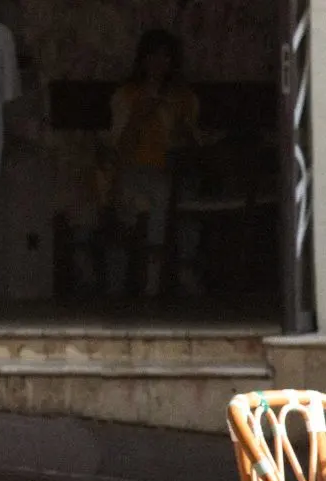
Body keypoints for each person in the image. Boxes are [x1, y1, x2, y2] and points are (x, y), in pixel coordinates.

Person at [109, 29, 202, 298]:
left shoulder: (184, 98)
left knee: (184, 196)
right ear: (143, 59)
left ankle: (184, 269)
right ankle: (151, 280)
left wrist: (182, 129)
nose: (159, 63)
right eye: (154, 56)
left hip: (176, 171)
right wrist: (139, 116)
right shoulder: (126, 96)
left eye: (166, 57)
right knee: (159, 190)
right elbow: (120, 148)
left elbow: (195, 146)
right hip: (135, 170)